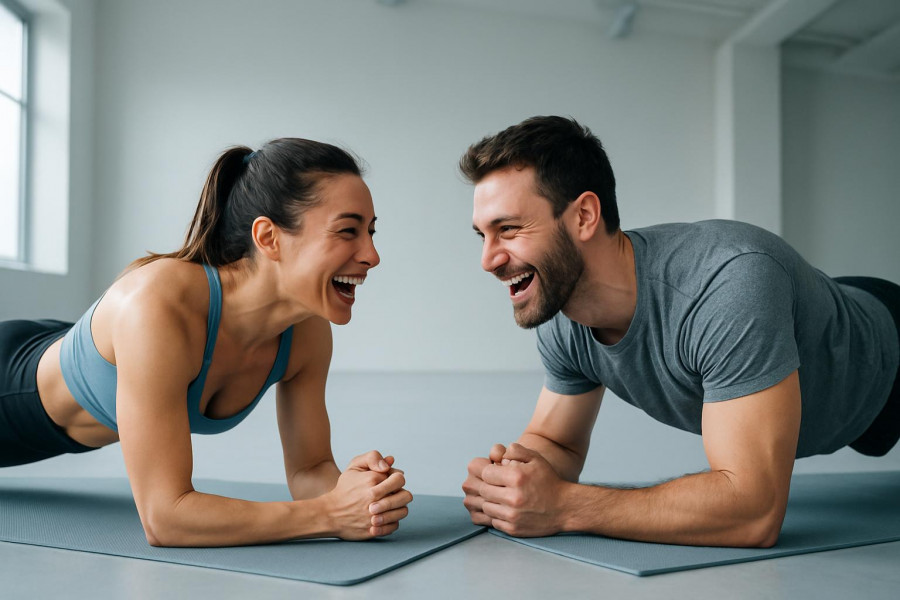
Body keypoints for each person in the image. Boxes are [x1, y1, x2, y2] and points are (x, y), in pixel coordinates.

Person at [459, 116, 899, 547]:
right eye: (483, 235)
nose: (488, 260)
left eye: (508, 229)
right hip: (826, 359)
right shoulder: (561, 306)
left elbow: (755, 511)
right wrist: (512, 485)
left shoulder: (729, 284)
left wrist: (564, 506)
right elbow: (556, 443)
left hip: (883, 354)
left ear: (584, 216)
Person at [0, 138, 413, 546]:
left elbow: (310, 469)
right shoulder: (159, 304)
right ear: (268, 237)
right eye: (348, 231)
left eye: (370, 232)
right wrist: (329, 514)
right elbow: (165, 518)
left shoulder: (307, 329)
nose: (372, 255)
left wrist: (358, 494)